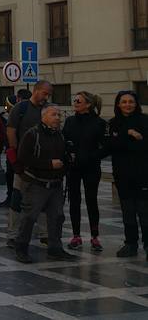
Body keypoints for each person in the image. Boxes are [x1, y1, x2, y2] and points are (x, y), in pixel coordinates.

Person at [14, 104, 76, 263]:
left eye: (59, 115)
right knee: (29, 217)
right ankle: (21, 248)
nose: (57, 118)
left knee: (57, 217)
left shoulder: (59, 135)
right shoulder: (32, 134)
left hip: (55, 184)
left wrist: (66, 162)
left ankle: (55, 248)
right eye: (54, 114)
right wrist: (48, 164)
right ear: (44, 117)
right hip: (36, 183)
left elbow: (62, 157)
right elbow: (23, 158)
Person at [6, 81, 52, 248]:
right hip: (23, 163)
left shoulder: (47, 109)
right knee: (17, 198)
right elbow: (11, 131)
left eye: (49, 94)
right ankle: (13, 234)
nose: (46, 97)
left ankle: (45, 234)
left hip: (43, 164)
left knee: (43, 200)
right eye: (45, 93)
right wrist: (16, 157)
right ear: (36, 91)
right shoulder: (20, 109)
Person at [107, 91, 148, 259]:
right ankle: (130, 244)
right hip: (122, 175)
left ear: (136, 104)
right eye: (123, 102)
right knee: (128, 213)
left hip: (143, 174)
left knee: (145, 213)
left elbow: (143, 146)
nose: (127, 104)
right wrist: (129, 134)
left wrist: (124, 141)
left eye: (131, 101)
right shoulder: (113, 123)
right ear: (118, 104)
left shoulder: (145, 121)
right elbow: (112, 146)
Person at [64, 91, 106, 252]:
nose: (75, 103)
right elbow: (64, 140)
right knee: (74, 201)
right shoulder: (69, 121)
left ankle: (95, 237)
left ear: (88, 104)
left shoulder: (99, 123)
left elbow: (105, 146)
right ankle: (76, 236)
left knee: (91, 200)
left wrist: (92, 156)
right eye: (74, 100)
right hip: (73, 168)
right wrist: (68, 153)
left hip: (91, 167)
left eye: (78, 101)